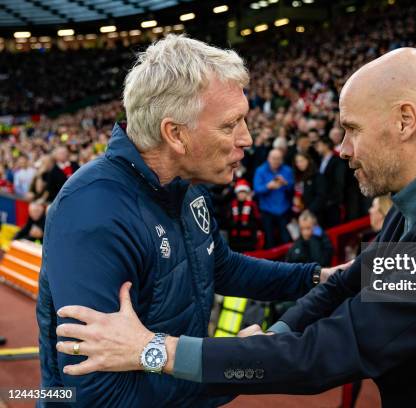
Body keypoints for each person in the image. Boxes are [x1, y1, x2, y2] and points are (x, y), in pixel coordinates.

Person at [56, 48, 416, 407]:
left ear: (405, 121)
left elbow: (326, 352)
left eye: (352, 129)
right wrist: (276, 331)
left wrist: (154, 350)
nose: (341, 148)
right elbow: (342, 288)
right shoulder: (413, 213)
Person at [38, 35, 343, 408]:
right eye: (230, 125)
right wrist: (229, 364)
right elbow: (98, 396)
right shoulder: (93, 213)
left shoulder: (187, 188)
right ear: (176, 134)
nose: (246, 138)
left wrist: (316, 279)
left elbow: (219, 265)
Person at [253, 148, 294, 248]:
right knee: (269, 240)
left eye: (279, 159)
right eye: (274, 158)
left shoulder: (287, 170)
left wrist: (285, 183)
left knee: (286, 239)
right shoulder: (260, 170)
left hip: (284, 209)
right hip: (267, 210)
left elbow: (293, 188)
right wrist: (268, 187)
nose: (276, 161)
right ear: (268, 158)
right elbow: (256, 189)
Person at [315, 136, 345, 228]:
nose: (317, 148)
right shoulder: (321, 160)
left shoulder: (337, 161)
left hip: (333, 201)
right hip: (324, 202)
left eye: (319, 145)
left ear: (326, 146)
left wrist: (333, 199)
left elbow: (339, 182)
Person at [228, 180, 260, 253]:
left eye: (243, 192)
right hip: (235, 239)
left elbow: (257, 220)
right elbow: (228, 221)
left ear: (247, 194)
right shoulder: (232, 205)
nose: (241, 194)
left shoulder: (252, 205)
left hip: (248, 239)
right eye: (240, 192)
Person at [292, 152, 326, 219]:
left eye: (301, 161)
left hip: (315, 215)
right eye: (297, 162)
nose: (299, 164)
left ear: (308, 160)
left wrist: (309, 210)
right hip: (300, 212)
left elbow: (321, 196)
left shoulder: (317, 176)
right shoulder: (298, 177)